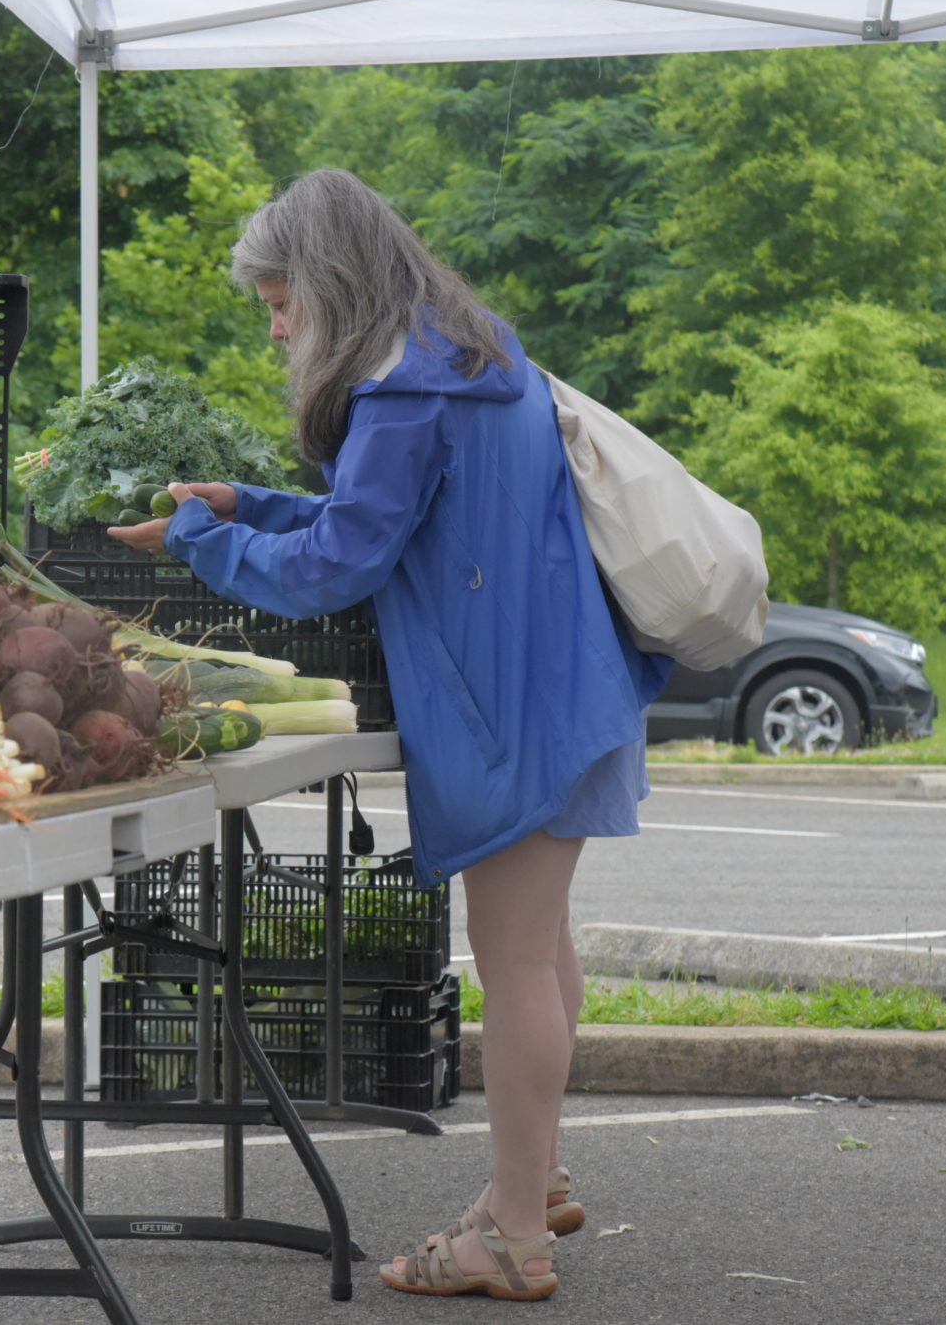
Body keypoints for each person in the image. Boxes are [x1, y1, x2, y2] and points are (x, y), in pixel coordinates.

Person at [107, 168, 672, 1302]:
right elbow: (381, 517)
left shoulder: (401, 392)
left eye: (278, 303)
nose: (274, 326)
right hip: (560, 685)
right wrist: (248, 505)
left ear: (327, 282)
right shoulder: (467, 356)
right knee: (541, 947)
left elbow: (340, 566)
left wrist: (197, 544)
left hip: (501, 702)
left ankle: (511, 1236)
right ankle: (537, 1174)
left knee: (512, 960)